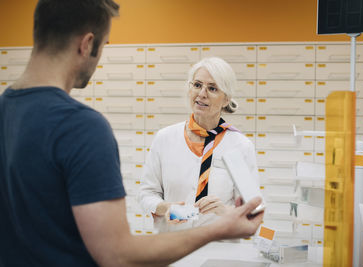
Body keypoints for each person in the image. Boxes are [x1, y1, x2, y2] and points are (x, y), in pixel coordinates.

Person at [0, 1, 263, 266]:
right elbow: (117, 254)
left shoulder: (5, 110)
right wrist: (213, 227)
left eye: (213, 88)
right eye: (104, 46)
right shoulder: (82, 127)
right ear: (87, 44)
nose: (202, 93)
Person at [138, 57, 261, 233]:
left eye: (212, 88)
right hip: (172, 245)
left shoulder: (240, 146)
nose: (202, 93)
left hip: (219, 246)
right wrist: (165, 208)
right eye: (197, 85)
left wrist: (224, 211)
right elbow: (145, 193)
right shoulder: (165, 138)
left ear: (226, 99)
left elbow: (252, 210)